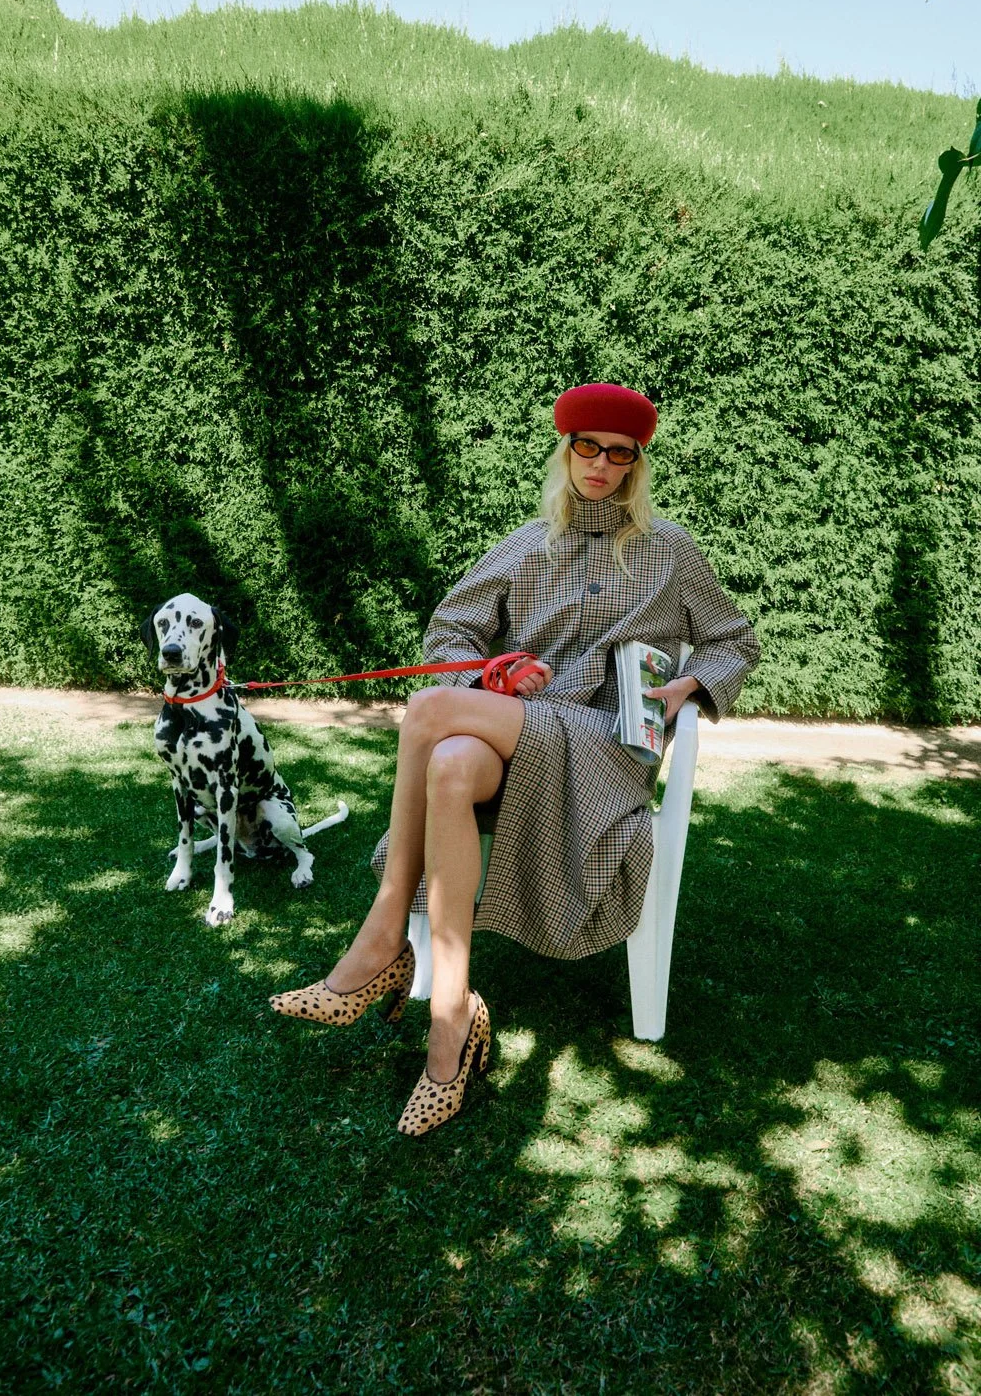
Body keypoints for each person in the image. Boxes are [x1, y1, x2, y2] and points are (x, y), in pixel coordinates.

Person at [270, 383, 759, 1136]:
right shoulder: (526, 544)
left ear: (636, 465)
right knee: (448, 761)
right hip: (521, 729)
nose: (601, 464)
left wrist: (689, 687)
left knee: (428, 710)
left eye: (620, 454)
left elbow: (735, 640)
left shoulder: (672, 551)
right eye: (587, 447)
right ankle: (451, 1017)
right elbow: (451, 634)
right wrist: (495, 672)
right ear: (566, 451)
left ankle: (382, 937)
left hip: (605, 742)